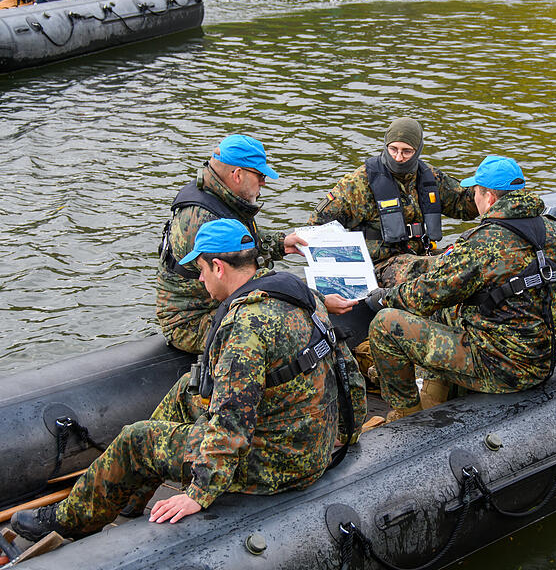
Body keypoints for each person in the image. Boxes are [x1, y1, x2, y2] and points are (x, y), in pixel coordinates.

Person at [12, 218, 366, 541]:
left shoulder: (246, 330)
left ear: (218, 266)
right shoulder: (303, 296)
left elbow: (232, 423)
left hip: (280, 462)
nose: (200, 280)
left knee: (137, 439)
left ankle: (71, 519)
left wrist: (200, 492)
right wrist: (348, 432)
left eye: (201, 270)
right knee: (188, 388)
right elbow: (345, 366)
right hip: (312, 442)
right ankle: (130, 497)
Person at [365, 155, 556, 421]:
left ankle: (406, 417)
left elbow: (426, 295)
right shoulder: (553, 230)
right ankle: (438, 390)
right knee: (449, 312)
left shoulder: (481, 243)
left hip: (502, 369)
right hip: (546, 360)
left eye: (477, 193)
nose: (474, 200)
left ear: (490, 198)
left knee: (386, 324)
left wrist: (383, 297)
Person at [156, 134, 309, 354]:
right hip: (192, 321)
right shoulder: (201, 219)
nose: (264, 183)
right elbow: (244, 276)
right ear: (237, 175)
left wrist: (280, 243)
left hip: (215, 299)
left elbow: (240, 245)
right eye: (260, 176)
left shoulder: (218, 196)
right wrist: (313, 300)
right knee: (284, 322)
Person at [309, 117, 479, 288]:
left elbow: (465, 206)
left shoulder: (429, 177)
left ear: (418, 150)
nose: (398, 157)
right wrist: (343, 270)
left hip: (420, 255)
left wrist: (491, 186)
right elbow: (316, 227)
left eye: (406, 151)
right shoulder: (359, 183)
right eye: (393, 149)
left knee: (472, 257)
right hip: (380, 265)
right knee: (431, 272)